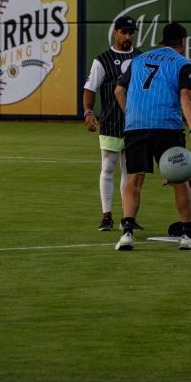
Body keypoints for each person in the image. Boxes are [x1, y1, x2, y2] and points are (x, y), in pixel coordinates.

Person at [114, 22, 191, 251]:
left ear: (162, 41)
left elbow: (118, 90)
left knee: (134, 178)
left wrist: (132, 115)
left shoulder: (137, 60)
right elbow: (186, 96)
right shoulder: (182, 63)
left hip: (136, 126)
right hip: (167, 126)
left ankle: (126, 233)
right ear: (183, 42)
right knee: (179, 178)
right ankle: (188, 235)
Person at [82, 16, 141, 232]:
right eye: (124, 32)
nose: (128, 36)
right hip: (111, 122)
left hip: (135, 124)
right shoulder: (103, 60)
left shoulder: (139, 57)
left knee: (130, 171)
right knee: (108, 168)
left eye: (131, 32)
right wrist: (88, 112)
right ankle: (106, 215)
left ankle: (127, 216)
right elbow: (90, 89)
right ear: (115, 32)